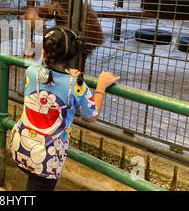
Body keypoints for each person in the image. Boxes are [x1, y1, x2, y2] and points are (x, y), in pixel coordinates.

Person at [10, 26, 119, 191]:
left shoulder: (31, 71)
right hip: (47, 159)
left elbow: (45, 69)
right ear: (71, 56)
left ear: (45, 52)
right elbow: (91, 116)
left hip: (20, 145)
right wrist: (101, 86)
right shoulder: (75, 84)